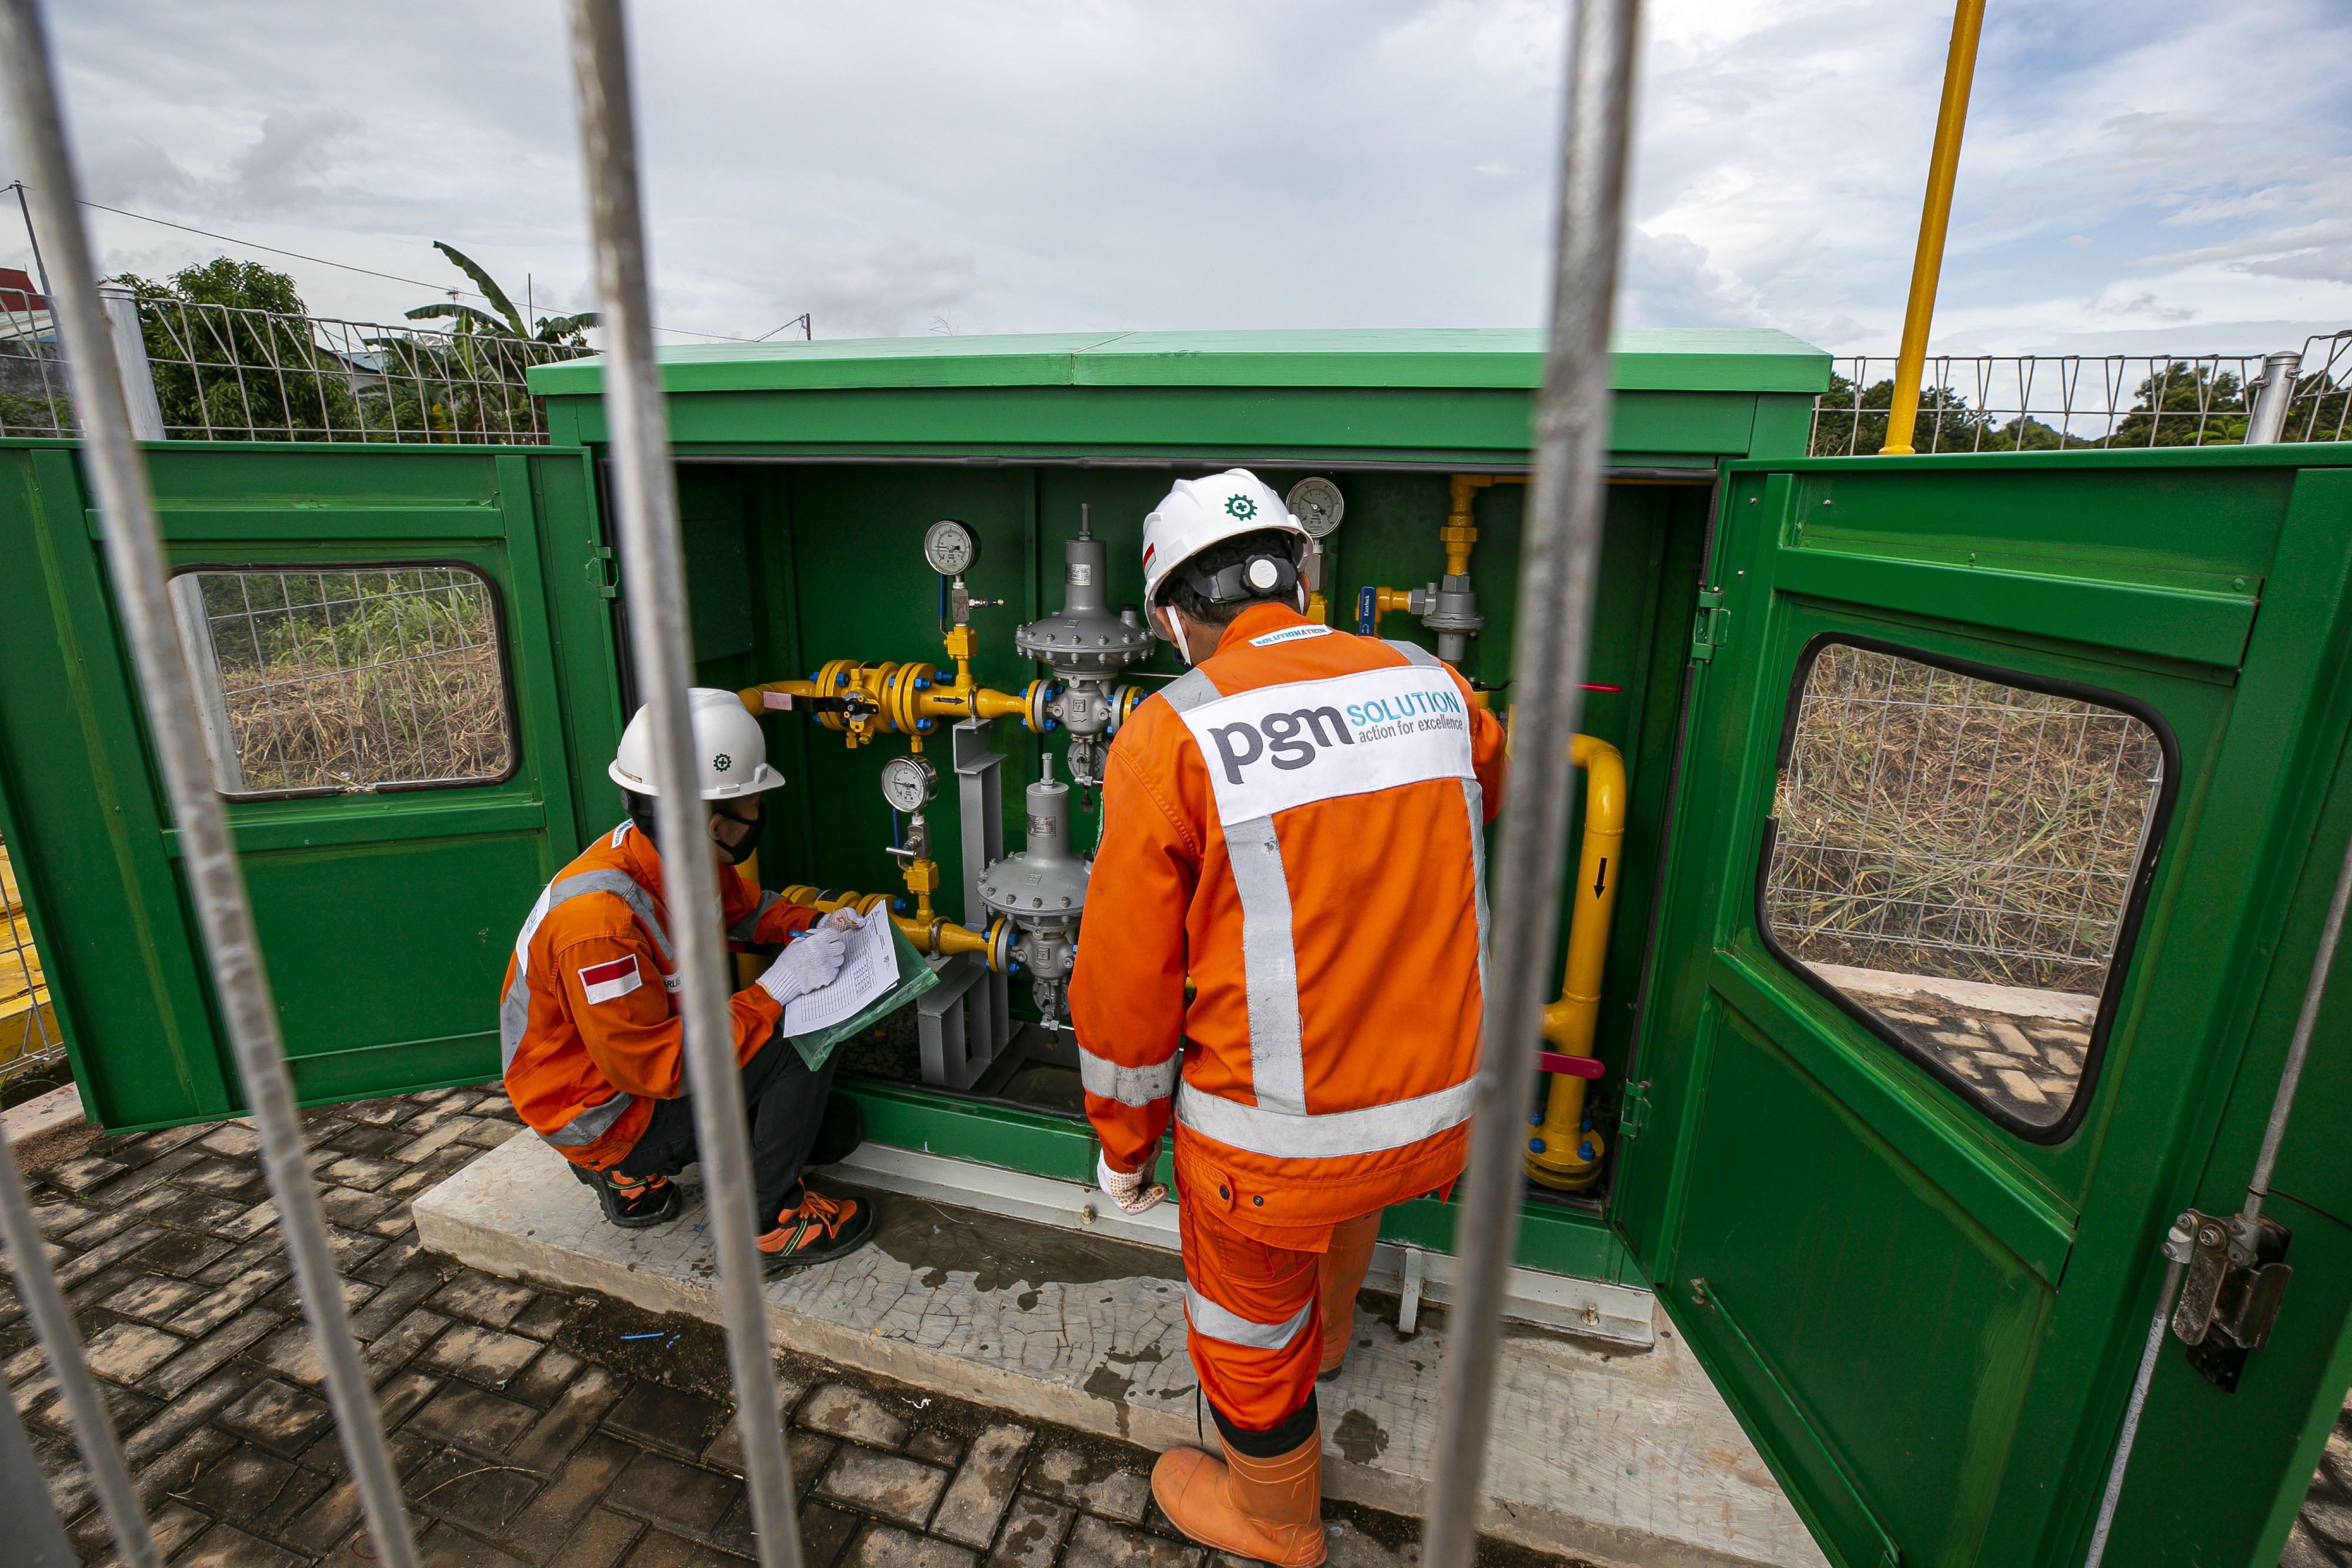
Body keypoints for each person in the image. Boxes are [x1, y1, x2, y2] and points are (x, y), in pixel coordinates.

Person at [1071, 470, 1508, 1567]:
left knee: (1247, 1326)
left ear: (1174, 615)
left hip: (1267, 1143)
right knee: (1345, 1198)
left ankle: (1277, 1520)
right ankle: (1335, 1340)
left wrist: (1123, 1148)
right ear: (1299, 577)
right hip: (1431, 1112)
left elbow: (1125, 980)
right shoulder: (1435, 684)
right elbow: (1475, 798)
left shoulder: (1172, 732)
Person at [500, 687, 878, 1271]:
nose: (758, 810)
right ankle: (763, 1225)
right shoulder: (598, 927)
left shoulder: (663, 853)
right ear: (712, 821)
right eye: (751, 800)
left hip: (618, 1078)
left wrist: (816, 925)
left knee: (833, 1131)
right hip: (602, 1112)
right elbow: (658, 1068)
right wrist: (775, 991)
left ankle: (633, 1176)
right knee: (801, 1032)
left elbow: (744, 909)